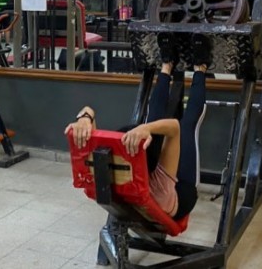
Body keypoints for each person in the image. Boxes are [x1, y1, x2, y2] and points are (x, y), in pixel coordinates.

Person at [66, 33, 211, 220]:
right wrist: (148, 129)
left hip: (146, 176)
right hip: (182, 190)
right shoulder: (161, 186)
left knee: (152, 119)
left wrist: (85, 117)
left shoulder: (108, 173)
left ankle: (167, 65)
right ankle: (200, 67)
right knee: (188, 125)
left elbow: (94, 140)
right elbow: (175, 128)